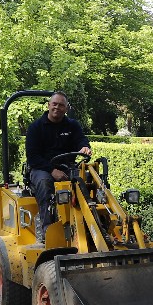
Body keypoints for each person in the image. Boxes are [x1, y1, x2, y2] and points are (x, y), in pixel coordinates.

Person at [24, 91, 92, 245]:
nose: (57, 107)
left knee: (89, 180)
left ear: (66, 108)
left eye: (61, 105)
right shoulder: (36, 127)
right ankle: (47, 231)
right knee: (44, 183)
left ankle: (92, 225)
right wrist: (52, 170)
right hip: (41, 168)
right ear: (49, 105)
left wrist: (84, 147)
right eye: (54, 104)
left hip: (67, 167)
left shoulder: (72, 126)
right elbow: (33, 157)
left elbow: (81, 140)